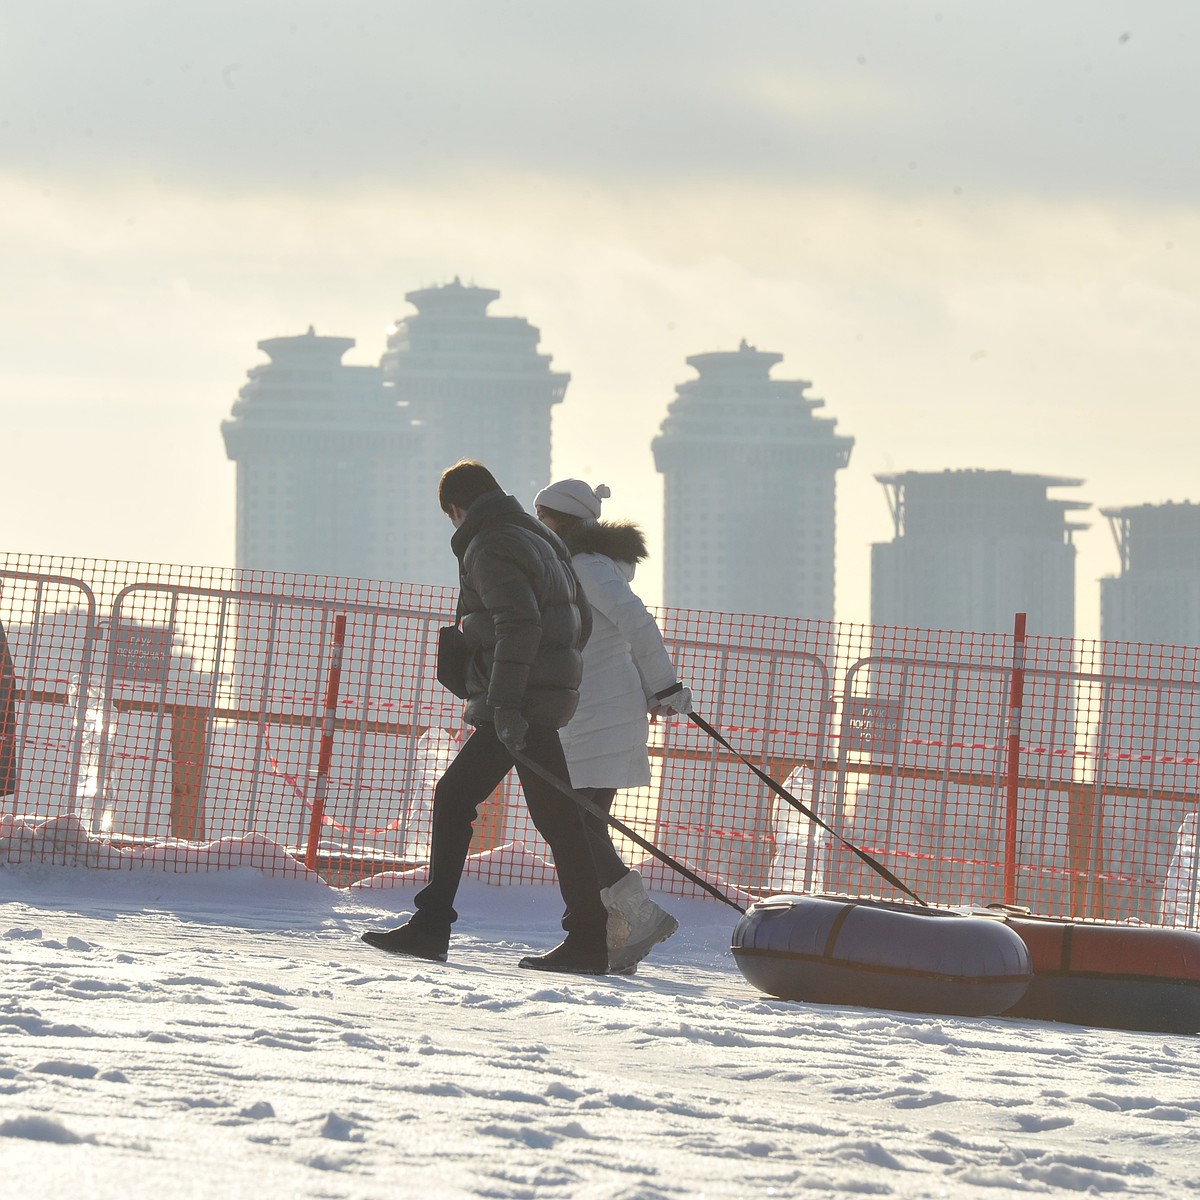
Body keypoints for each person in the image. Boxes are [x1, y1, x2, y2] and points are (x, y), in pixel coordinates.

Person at [363, 460, 613, 974]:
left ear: (457, 509)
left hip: (517, 703)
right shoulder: (540, 540)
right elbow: (579, 622)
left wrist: (504, 701)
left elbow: (517, 624)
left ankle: (437, 928)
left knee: (458, 799)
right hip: (538, 696)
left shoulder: (491, 543)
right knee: (558, 820)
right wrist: (550, 677)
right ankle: (586, 937)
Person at [533, 478, 692, 974]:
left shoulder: (586, 567)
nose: (539, 526)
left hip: (596, 714)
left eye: (544, 517)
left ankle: (635, 917)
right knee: (585, 824)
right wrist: (654, 690)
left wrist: (664, 687)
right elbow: (610, 640)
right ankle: (607, 938)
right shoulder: (583, 566)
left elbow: (636, 623)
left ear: (561, 521)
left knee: (573, 825)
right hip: (595, 709)